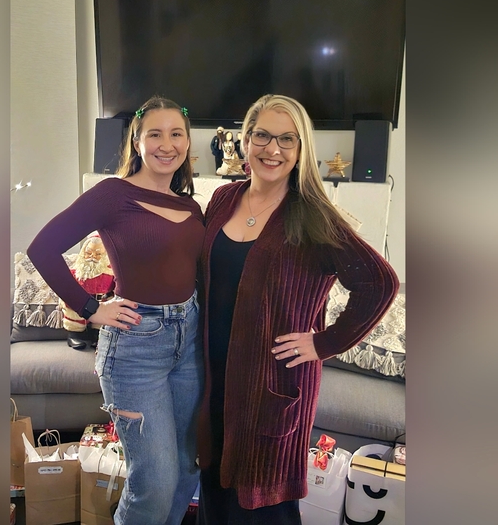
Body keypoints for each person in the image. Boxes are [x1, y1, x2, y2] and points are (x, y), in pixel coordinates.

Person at [196, 94, 399, 524]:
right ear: (245, 140)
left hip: (271, 386)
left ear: (301, 148)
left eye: (287, 139)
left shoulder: (312, 216)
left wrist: (323, 343)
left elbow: (379, 283)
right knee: (214, 498)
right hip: (215, 382)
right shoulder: (223, 199)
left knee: (265, 508)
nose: (273, 149)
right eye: (262, 136)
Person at [27, 96, 205, 525]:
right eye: (155, 134)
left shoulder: (190, 206)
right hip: (135, 349)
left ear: (187, 142)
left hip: (190, 342)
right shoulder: (113, 194)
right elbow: (43, 248)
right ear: (137, 142)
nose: (167, 144)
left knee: (186, 469)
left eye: (176, 134)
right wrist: (90, 308)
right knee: (154, 482)